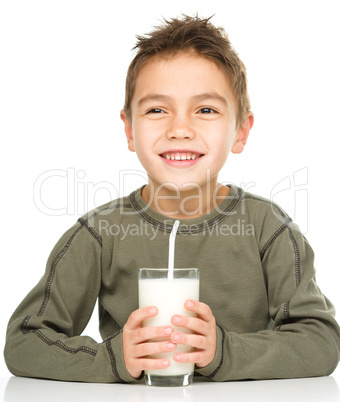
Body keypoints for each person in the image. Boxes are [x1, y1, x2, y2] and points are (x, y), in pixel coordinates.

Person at [4, 14, 340, 383]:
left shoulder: (267, 228)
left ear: (241, 131)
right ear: (130, 130)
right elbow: (25, 341)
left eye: (206, 110)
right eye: (157, 110)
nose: (180, 129)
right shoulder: (99, 234)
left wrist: (226, 352)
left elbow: (321, 341)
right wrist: (113, 359)